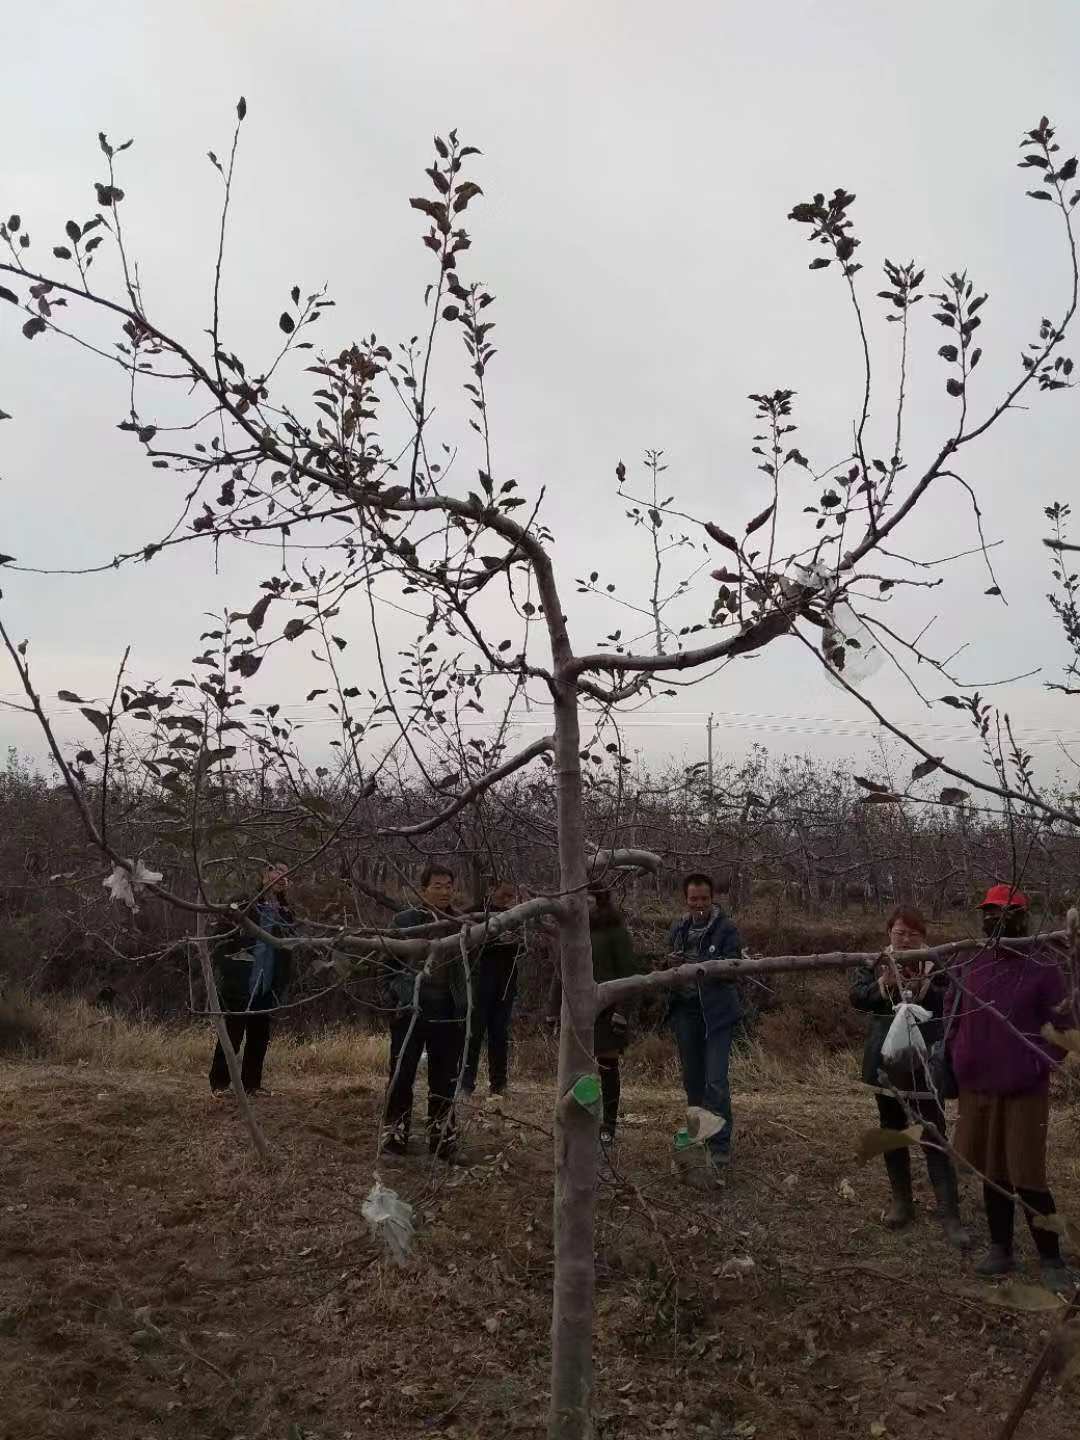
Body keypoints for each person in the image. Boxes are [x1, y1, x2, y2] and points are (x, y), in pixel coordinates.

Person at [950, 884, 1073, 1291]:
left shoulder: (1043, 969)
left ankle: (1051, 1257)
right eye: (989, 911)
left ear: (1022, 917)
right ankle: (1001, 1247)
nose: (995, 919)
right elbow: (954, 1014)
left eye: (1005, 912)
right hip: (978, 1088)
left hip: (1024, 1089)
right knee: (991, 1170)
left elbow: (1065, 1030)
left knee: (1027, 1173)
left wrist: (1032, 1063)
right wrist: (957, 1055)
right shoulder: (974, 963)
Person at [849, 905, 970, 1248]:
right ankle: (901, 1201)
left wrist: (925, 987)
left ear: (924, 936)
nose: (905, 939)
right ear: (889, 933)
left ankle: (949, 1213)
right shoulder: (875, 962)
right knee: (892, 1130)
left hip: (925, 1061)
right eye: (899, 933)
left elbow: (952, 1001)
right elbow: (856, 997)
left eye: (913, 934)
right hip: (885, 1060)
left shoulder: (938, 963)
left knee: (933, 1131)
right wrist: (882, 986)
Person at [385, 864, 469, 1161]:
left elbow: (472, 970)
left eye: (448, 885)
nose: (444, 891)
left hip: (449, 1011)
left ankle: (442, 1138)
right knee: (401, 1074)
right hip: (411, 1011)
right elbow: (388, 968)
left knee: (444, 1077)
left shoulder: (462, 923)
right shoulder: (405, 921)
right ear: (423, 889)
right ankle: (394, 1137)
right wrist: (406, 996)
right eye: (437, 885)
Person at [663, 873, 744, 1175]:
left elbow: (733, 968)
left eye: (704, 899)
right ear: (686, 899)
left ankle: (720, 1146)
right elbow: (669, 966)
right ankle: (699, 1137)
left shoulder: (726, 928)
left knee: (716, 1081)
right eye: (693, 899)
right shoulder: (679, 928)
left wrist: (704, 969)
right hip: (686, 1013)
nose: (699, 904)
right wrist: (672, 965)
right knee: (693, 1082)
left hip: (717, 1014)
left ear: (712, 899)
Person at [546, 884, 641, 1142]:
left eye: (586, 899)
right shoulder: (568, 930)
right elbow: (560, 972)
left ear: (598, 900)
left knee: (607, 1066)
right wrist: (553, 1010)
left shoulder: (614, 931)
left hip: (607, 1007)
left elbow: (630, 972)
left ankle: (608, 1125)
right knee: (575, 1067)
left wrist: (622, 1010)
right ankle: (576, 1121)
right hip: (575, 1009)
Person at [209, 863, 295, 1096]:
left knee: (259, 1036)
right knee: (232, 1035)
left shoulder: (284, 911)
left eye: (286, 871)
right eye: (276, 870)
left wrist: (282, 983)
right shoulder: (243, 903)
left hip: (266, 983)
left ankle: (252, 1085)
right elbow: (218, 941)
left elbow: (289, 946)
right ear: (263, 874)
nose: (282, 876)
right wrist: (229, 968)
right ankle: (219, 1084)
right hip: (240, 981)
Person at [462, 881, 523, 1099]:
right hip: (479, 981)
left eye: (510, 892)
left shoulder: (516, 916)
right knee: (474, 1033)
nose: (508, 895)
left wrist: (515, 940)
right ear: (491, 888)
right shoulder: (473, 913)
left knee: (499, 1033)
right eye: (503, 890)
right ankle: (466, 1083)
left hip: (505, 981)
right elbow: (466, 946)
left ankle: (499, 1083)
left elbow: (522, 947)